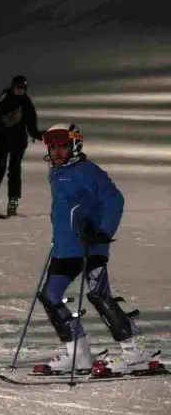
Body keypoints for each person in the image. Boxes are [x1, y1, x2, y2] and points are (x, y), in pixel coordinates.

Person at [37, 123, 159, 375]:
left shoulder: (87, 171)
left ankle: (135, 353)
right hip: (64, 246)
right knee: (51, 295)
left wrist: (103, 232)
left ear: (75, 145)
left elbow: (114, 199)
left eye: (62, 147)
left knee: (98, 295)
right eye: (53, 147)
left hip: (89, 245)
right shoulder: (57, 172)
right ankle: (77, 353)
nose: (57, 152)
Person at [0, 75, 44, 217]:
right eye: (17, 88)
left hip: (18, 142)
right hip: (2, 141)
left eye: (22, 88)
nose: (19, 90)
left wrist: (41, 136)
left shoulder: (27, 105)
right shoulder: (4, 103)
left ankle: (13, 200)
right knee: (0, 168)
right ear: (13, 87)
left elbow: (31, 126)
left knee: (14, 169)